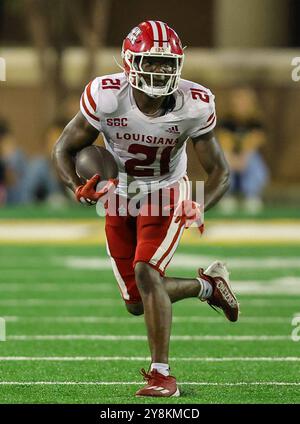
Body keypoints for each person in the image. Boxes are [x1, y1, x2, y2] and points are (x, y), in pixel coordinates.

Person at [53, 20, 239, 397]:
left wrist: (200, 205)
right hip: (116, 193)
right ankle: (208, 287)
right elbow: (64, 150)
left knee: (146, 272)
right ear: (129, 62)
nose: (160, 70)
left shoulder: (195, 103)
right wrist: (79, 188)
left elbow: (220, 171)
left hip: (166, 191)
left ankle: (162, 375)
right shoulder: (105, 96)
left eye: (167, 63)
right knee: (136, 303)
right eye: (151, 62)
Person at [217, 87, 269, 214]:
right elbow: (224, 141)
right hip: (231, 160)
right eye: (238, 103)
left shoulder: (255, 122)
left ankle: (251, 196)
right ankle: (226, 196)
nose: (241, 106)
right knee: (223, 160)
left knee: (254, 160)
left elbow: (256, 140)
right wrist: (232, 159)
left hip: (247, 161)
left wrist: (244, 157)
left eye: (245, 103)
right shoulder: (226, 121)